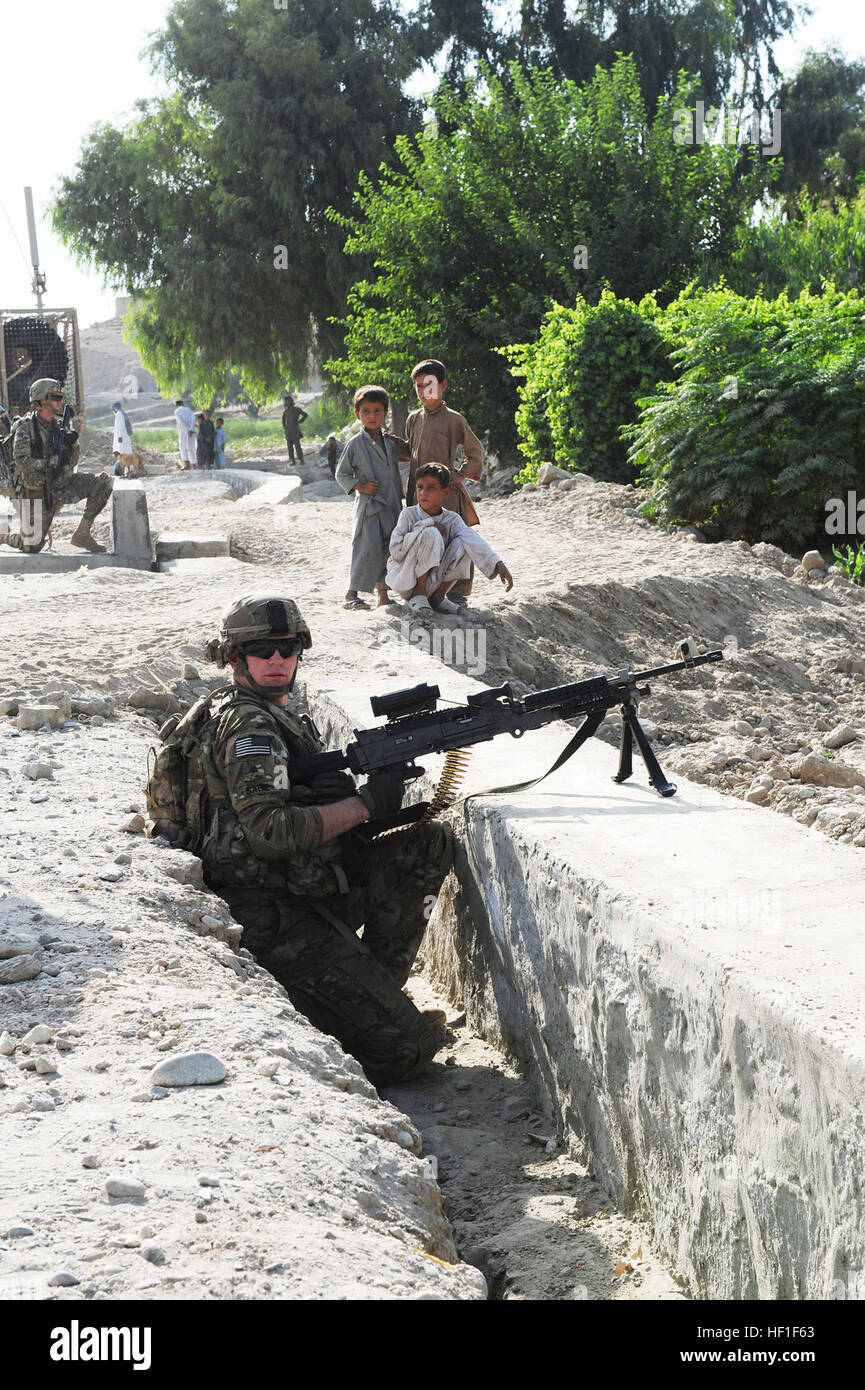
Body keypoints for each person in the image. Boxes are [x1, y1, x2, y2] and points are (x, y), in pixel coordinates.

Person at [145, 592, 453, 1087]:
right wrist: (365, 805)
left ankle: (372, 990)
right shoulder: (251, 724)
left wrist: (342, 800)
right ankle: (356, 1016)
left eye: (287, 650)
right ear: (233, 657)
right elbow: (268, 833)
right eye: (262, 650)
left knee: (426, 843)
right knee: (407, 1052)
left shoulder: (253, 711)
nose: (276, 660)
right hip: (270, 913)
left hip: (302, 886)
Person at [388, 359, 486, 608]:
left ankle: (455, 593)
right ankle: (420, 589)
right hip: (419, 490)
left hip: (446, 494)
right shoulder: (413, 418)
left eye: (429, 385)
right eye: (418, 386)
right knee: (422, 536)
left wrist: (460, 474)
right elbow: (410, 451)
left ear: (442, 385)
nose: (423, 391)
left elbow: (476, 452)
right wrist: (390, 442)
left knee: (453, 538)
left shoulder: (454, 419)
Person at [0, 378, 112, 554]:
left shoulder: (59, 427)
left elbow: (72, 462)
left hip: (59, 485)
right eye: (56, 397)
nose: (61, 402)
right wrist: (48, 463)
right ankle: (4, 536)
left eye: (61, 397)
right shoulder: (25, 427)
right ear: (43, 400)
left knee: (103, 483)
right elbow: (22, 460)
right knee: (32, 545)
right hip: (35, 493)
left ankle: (82, 533)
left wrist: (73, 441)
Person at [386, 463, 513, 613]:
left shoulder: (452, 519)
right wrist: (429, 524)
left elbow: (472, 538)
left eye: (431, 488)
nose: (423, 493)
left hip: (435, 580)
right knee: (431, 533)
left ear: (445, 492)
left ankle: (438, 598)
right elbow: (395, 550)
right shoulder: (408, 514)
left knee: (465, 541)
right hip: (407, 578)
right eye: (420, 487)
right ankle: (418, 594)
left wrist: (498, 563)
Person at [335, 386, 403, 610]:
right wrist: (361, 486)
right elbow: (341, 473)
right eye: (366, 411)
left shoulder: (391, 444)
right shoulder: (355, 443)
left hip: (391, 505)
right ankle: (351, 593)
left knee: (387, 548)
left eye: (377, 411)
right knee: (366, 549)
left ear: (385, 413)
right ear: (358, 414)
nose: (371, 416)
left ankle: (383, 596)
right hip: (369, 507)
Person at [282, 394, 307, 468]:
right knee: (289, 447)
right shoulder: (286, 411)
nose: (288, 402)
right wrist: (285, 428)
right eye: (286, 401)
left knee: (297, 446)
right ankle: (292, 460)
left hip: (295, 431)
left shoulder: (297, 409)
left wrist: (300, 421)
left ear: (292, 402)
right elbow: (283, 421)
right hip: (288, 432)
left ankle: (301, 460)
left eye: (289, 401)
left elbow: (305, 415)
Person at [174, 399, 196, 469]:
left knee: (183, 448)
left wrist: (188, 429)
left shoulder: (177, 411)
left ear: (176, 405)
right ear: (182, 404)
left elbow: (181, 421)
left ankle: (187, 465)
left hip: (183, 432)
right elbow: (193, 418)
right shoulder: (189, 410)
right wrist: (191, 429)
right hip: (191, 432)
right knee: (191, 448)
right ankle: (194, 465)